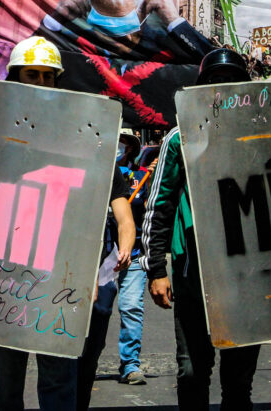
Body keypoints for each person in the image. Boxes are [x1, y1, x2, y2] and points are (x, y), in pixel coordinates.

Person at [0, 36, 135, 411]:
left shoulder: (85, 138)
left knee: (58, 381)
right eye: (31, 74)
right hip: (6, 279)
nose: (39, 83)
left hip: (61, 283)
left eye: (47, 76)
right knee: (7, 384)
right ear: (15, 78)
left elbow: (119, 204)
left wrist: (126, 240)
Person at [142, 48, 261, 410]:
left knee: (239, 382)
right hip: (195, 280)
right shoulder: (180, 139)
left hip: (249, 279)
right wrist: (157, 270)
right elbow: (159, 204)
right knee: (193, 372)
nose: (223, 91)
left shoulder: (264, 136)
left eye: (232, 84)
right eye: (216, 83)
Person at [35, 0, 215, 126]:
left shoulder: (165, 39)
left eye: (121, 18)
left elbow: (219, 69)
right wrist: (55, 18)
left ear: (143, 6)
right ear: (89, 7)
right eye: (105, 18)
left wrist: (175, 22)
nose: (114, 31)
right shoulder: (75, 37)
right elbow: (23, 63)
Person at [114, 128, 150, 385]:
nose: (121, 146)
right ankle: (84, 359)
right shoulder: (96, 170)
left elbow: (150, 211)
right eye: (117, 141)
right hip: (101, 254)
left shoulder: (142, 177)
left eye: (125, 143)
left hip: (134, 253)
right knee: (95, 312)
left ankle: (130, 363)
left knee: (131, 308)